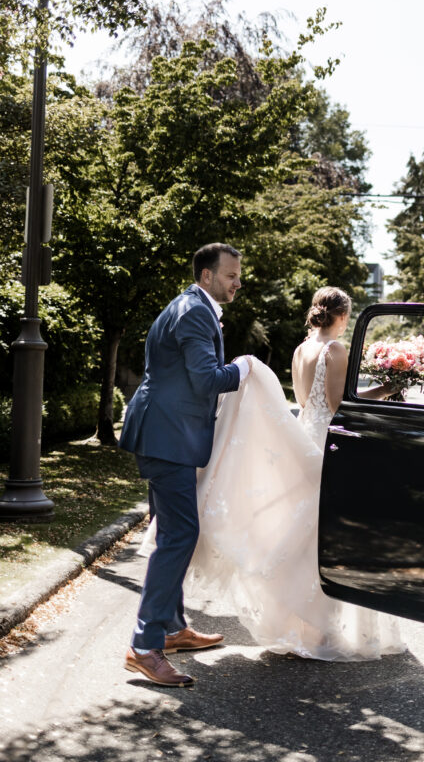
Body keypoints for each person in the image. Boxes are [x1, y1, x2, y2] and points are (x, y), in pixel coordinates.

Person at [187, 285, 404, 660]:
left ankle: (300, 623)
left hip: (304, 432)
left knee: (301, 534)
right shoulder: (335, 349)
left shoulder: (301, 349)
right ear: (342, 316)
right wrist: (387, 389)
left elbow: (306, 402)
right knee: (325, 536)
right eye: (347, 315)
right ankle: (319, 627)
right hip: (327, 445)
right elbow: (339, 404)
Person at [119, 242, 252, 687]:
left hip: (164, 433)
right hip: (167, 437)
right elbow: (208, 380)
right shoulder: (195, 312)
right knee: (180, 534)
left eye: (237, 275)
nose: (237, 282)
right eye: (231, 275)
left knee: (171, 531)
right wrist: (246, 369)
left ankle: (173, 629)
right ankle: (144, 646)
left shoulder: (189, 306)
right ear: (207, 275)